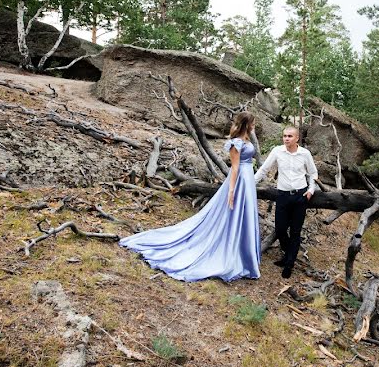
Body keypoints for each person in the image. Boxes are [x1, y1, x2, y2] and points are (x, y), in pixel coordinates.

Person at [119, 112, 260, 281]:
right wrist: (231, 190)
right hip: (239, 181)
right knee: (232, 214)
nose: (254, 125)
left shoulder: (246, 139)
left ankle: (243, 252)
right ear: (247, 123)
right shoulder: (236, 142)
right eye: (253, 123)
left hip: (248, 179)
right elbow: (235, 168)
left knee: (245, 214)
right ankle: (230, 252)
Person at [254, 126, 318, 278]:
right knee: (281, 229)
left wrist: (311, 190)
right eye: (284, 136)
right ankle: (289, 254)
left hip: (300, 196)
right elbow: (264, 169)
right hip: (282, 195)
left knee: (295, 231)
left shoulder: (305, 154)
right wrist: (250, 183)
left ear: (297, 138)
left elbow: (313, 173)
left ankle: (289, 263)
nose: (286, 138)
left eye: (290, 136)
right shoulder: (277, 151)